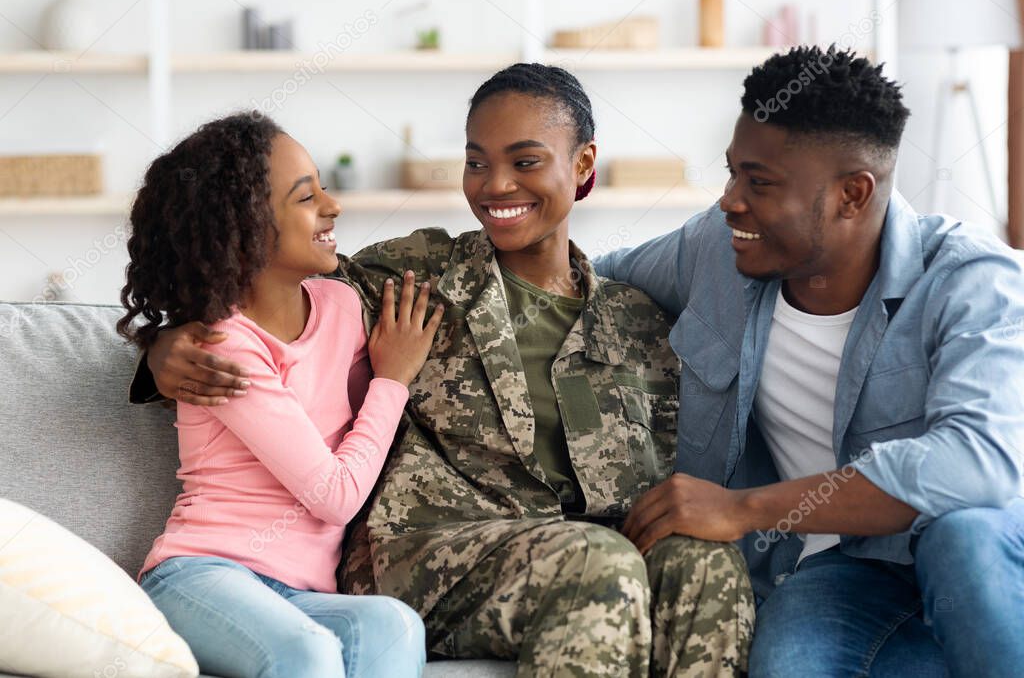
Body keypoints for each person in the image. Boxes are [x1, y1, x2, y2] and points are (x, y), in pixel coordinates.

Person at [136, 65, 755, 676]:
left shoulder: (639, 321)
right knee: (594, 560)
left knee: (707, 562)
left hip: (587, 546)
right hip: (427, 552)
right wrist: (163, 345)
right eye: (477, 162)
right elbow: (256, 283)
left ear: (584, 164)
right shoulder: (414, 280)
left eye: (526, 162)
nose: (495, 186)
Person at [595, 46, 1024, 677]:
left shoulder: (974, 280)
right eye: (732, 174)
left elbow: (978, 467)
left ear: (853, 194)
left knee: (962, 539)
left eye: (759, 183)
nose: (729, 201)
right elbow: (584, 280)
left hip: (989, 555)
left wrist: (746, 509)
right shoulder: (715, 250)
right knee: (787, 664)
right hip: (848, 568)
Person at [118, 113, 438, 678]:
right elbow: (334, 495)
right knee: (306, 652)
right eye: (306, 197)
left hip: (299, 592)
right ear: (244, 227)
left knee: (394, 626)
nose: (333, 205)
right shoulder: (222, 345)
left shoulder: (342, 305)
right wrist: (393, 379)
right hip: (201, 576)